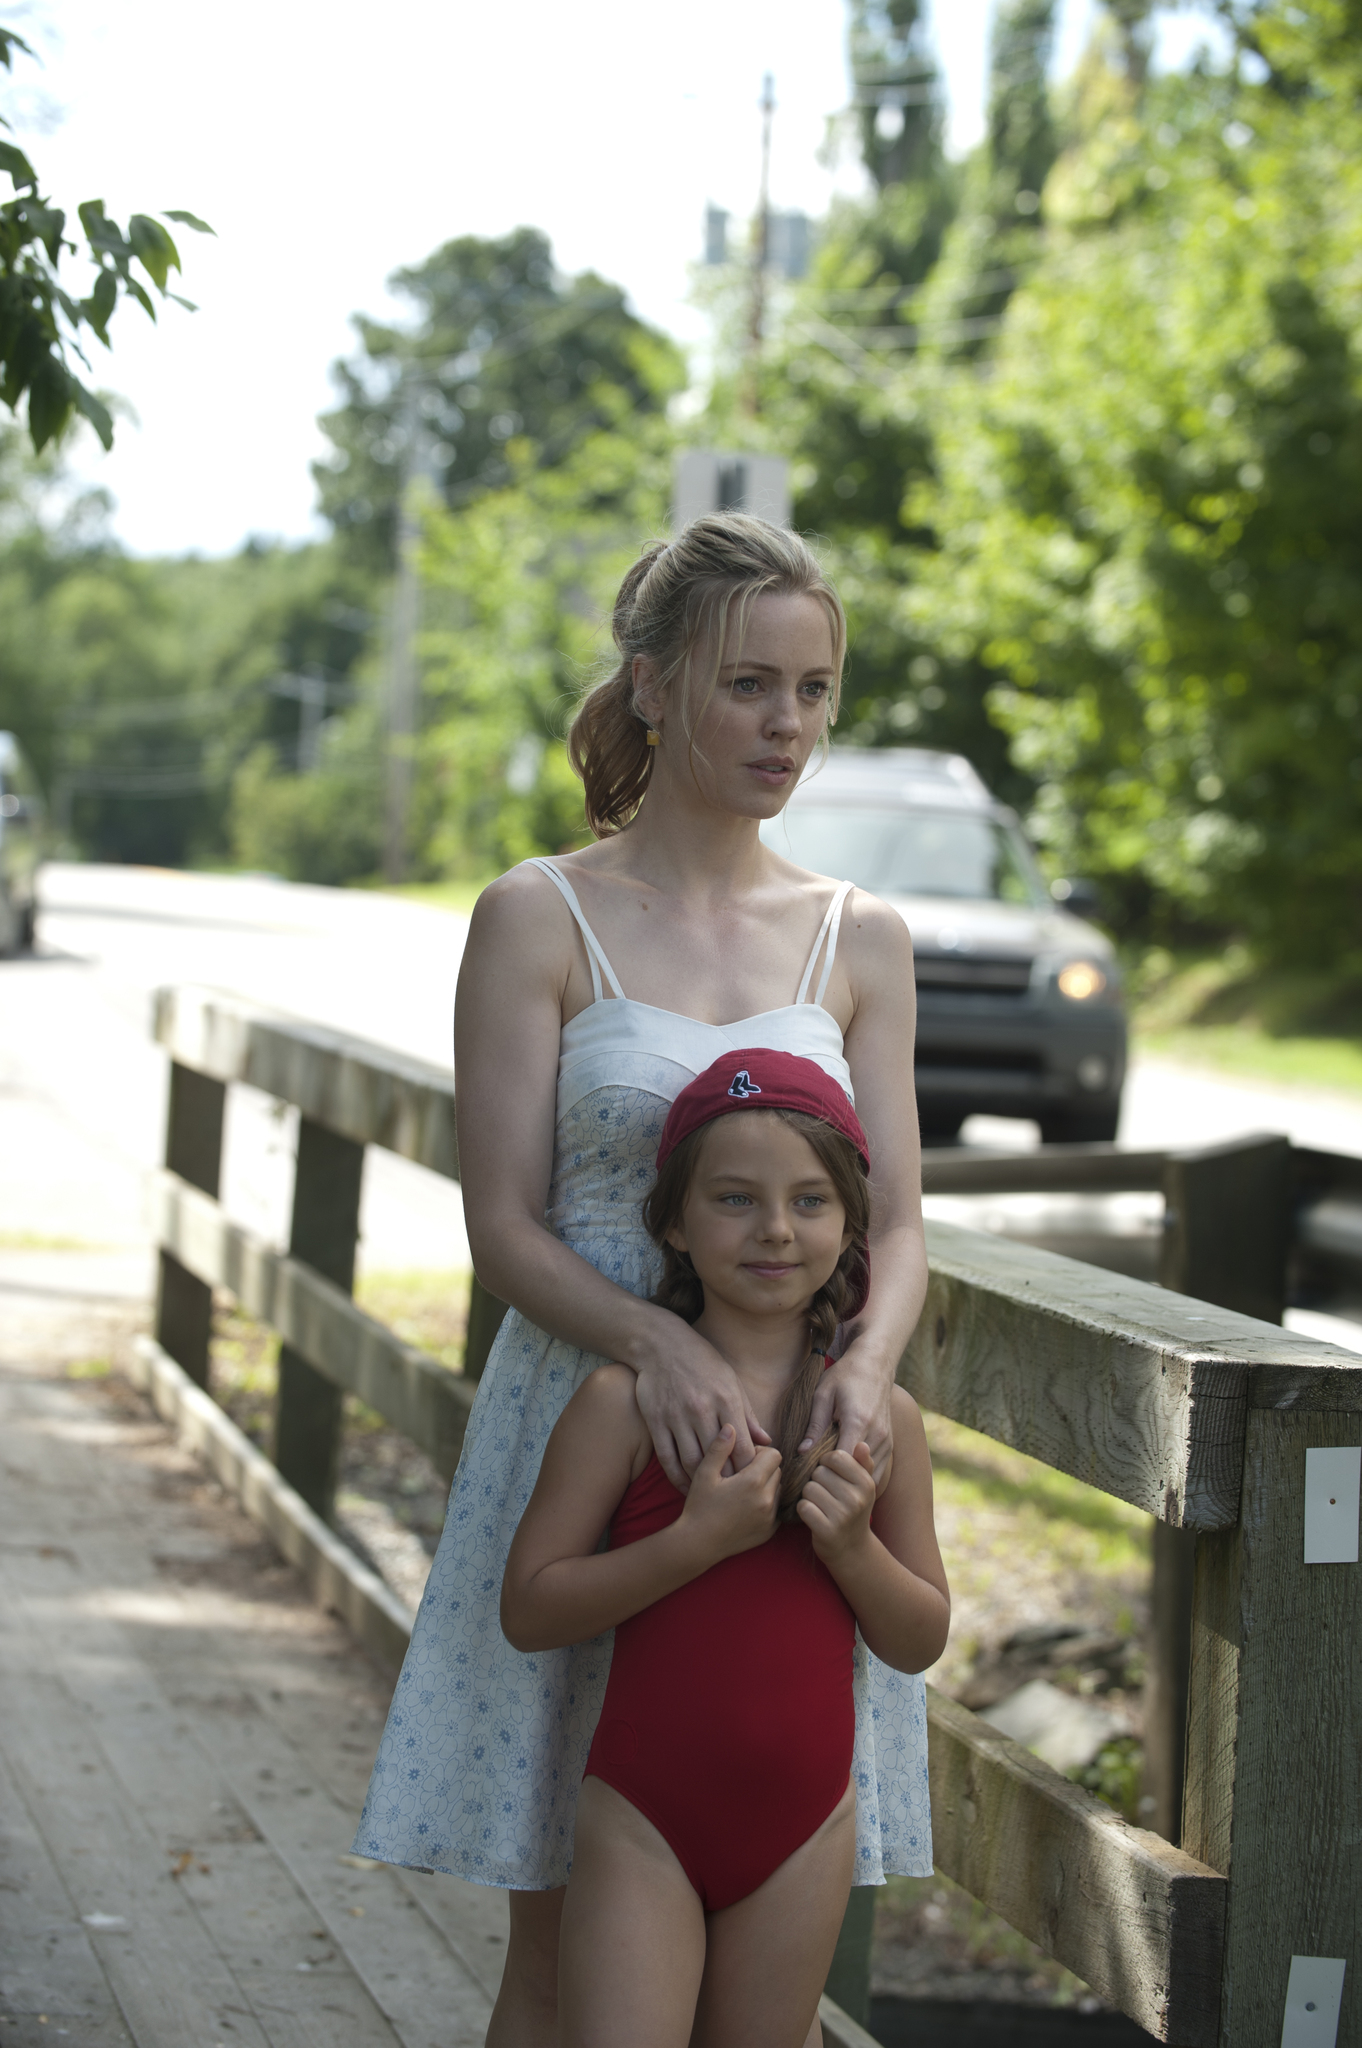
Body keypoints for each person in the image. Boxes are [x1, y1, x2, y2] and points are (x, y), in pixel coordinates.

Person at [351, 514, 932, 2047]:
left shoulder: (857, 938)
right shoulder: (536, 915)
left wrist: (861, 1376)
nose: (788, 726)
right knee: (559, 1957)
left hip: (788, 1439)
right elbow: (505, 1225)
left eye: (814, 691)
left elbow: (907, 1225)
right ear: (658, 686)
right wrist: (648, 1350)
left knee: (761, 1937)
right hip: (590, 1430)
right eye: (751, 685)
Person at [501, 1049, 949, 2048]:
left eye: (810, 1201)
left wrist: (848, 1547)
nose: (776, 1229)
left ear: (851, 1227)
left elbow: (920, 1636)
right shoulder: (621, 1404)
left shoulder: (882, 1422)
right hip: (642, 1819)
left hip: (806, 1827)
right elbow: (529, 1607)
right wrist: (693, 1540)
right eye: (735, 1197)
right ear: (672, 1218)